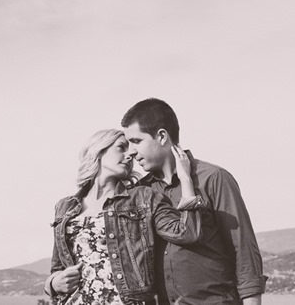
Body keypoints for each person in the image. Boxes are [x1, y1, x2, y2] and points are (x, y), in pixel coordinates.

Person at [122, 98, 268, 305]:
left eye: (136, 141)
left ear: (162, 136)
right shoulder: (140, 192)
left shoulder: (213, 178)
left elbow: (243, 248)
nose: (131, 151)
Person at [45, 129, 207, 305]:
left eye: (131, 149)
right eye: (121, 147)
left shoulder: (143, 198)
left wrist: (186, 179)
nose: (130, 154)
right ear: (98, 151)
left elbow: (187, 233)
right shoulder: (65, 207)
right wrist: (54, 283)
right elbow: (57, 269)